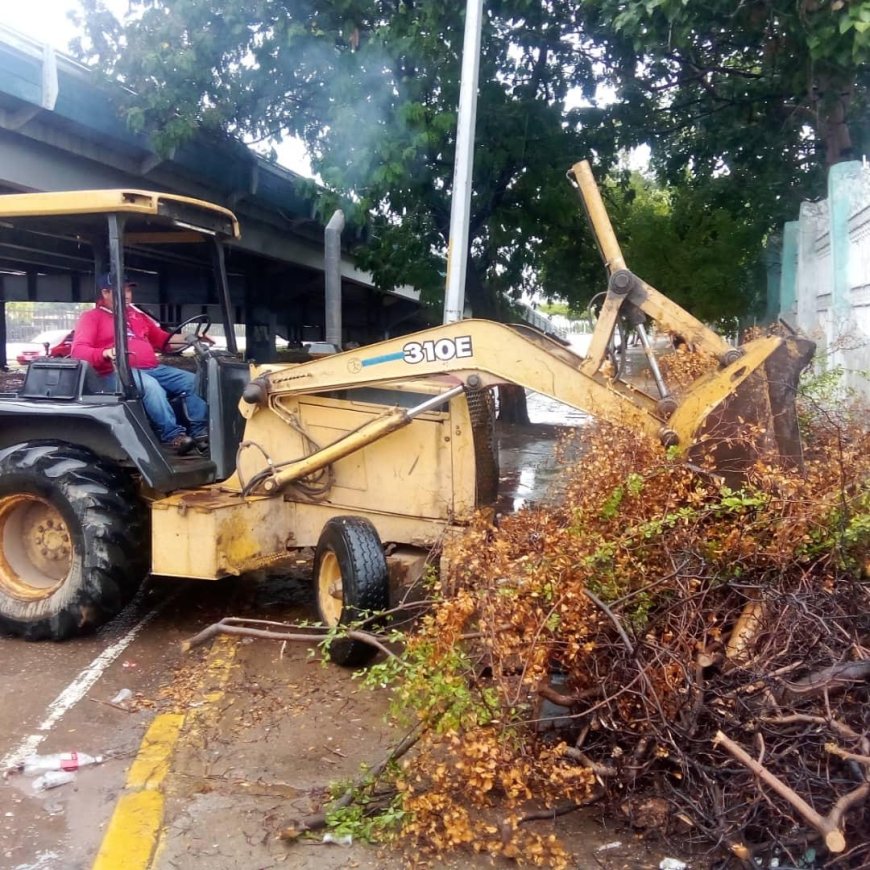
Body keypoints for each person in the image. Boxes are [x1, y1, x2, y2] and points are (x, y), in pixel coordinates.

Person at [71, 273, 209, 455]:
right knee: (151, 387)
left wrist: (190, 338)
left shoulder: (136, 316)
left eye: (128, 289)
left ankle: (200, 433)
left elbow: (163, 340)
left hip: (152, 368)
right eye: (121, 290)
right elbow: (78, 351)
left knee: (194, 381)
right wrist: (104, 353)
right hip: (115, 373)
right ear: (105, 293)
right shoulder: (91, 317)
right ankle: (173, 436)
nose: (127, 294)